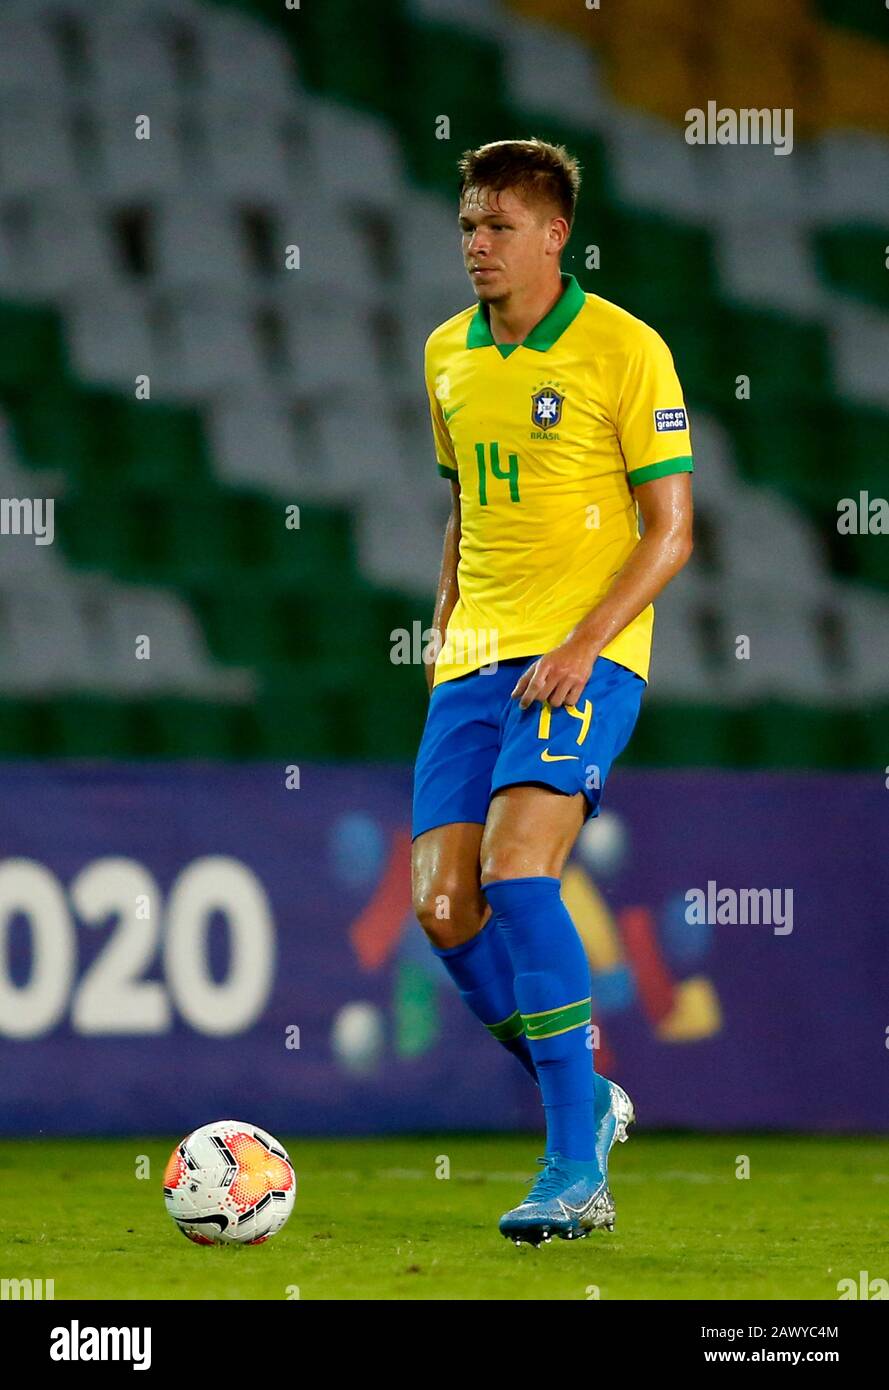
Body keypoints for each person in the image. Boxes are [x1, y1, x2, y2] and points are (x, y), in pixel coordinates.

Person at [411, 138, 694, 1245]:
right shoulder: (445, 353)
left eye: (497, 226)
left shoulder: (625, 348)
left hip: (582, 655)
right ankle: (589, 1098)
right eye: (469, 224)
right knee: (443, 907)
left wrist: (582, 642)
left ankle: (573, 1168)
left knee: (518, 872)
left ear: (553, 236)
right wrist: (443, 636)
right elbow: (465, 513)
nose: (476, 244)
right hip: (470, 662)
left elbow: (670, 531)